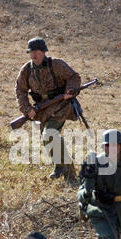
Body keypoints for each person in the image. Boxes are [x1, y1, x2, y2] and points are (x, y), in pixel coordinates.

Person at [15, 37, 81, 181]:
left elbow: (74, 77)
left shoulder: (56, 64)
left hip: (61, 105)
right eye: (31, 52)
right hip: (42, 110)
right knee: (51, 139)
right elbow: (20, 90)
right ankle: (69, 175)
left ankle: (61, 168)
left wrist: (70, 91)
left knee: (49, 134)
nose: (34, 55)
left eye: (36, 51)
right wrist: (27, 109)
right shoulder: (26, 70)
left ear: (43, 52)